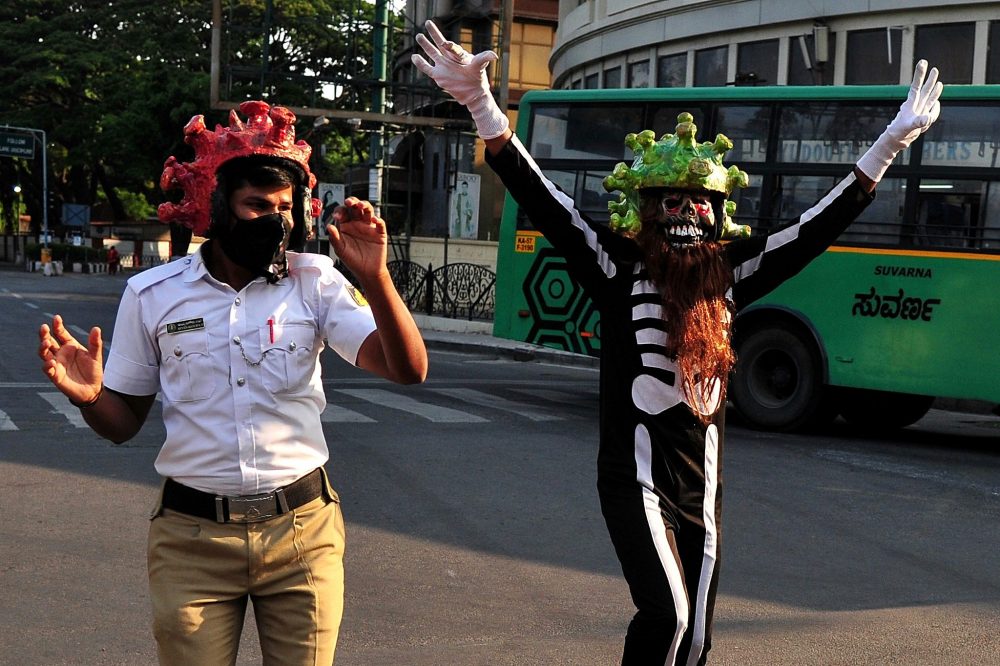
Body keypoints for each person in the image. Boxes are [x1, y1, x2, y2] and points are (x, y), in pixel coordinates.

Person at [413, 20, 942, 665]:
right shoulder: (615, 266)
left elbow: (810, 230)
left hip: (704, 486)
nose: (683, 213)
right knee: (667, 613)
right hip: (633, 478)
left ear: (718, 213)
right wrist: (483, 106)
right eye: (668, 200)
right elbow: (547, 202)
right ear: (644, 208)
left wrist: (887, 146)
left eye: (697, 202)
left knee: (696, 639)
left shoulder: (733, 271)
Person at [37, 100, 428, 664]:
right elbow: (123, 426)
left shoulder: (313, 283)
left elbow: (408, 369)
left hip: (302, 534)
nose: (276, 220)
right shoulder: (153, 295)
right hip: (192, 541)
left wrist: (377, 276)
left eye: (285, 208)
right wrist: (93, 396)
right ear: (217, 208)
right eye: (256, 206)